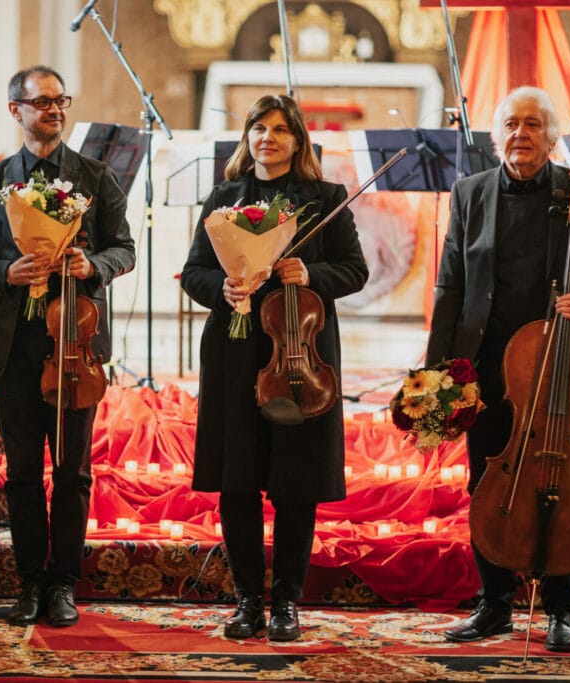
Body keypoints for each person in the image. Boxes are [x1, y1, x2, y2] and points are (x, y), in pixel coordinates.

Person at [425, 87, 570, 652]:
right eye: (512, 124)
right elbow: (451, 286)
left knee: (554, 483)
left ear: (553, 136)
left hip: (559, 366)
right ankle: (494, 605)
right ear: (496, 135)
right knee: (486, 481)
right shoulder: (469, 193)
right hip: (486, 364)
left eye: (534, 125)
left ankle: (561, 607)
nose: (522, 134)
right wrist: (439, 369)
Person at [180, 94, 369, 641]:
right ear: (247, 137)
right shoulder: (224, 198)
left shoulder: (326, 199)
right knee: (237, 481)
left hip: (298, 355)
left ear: (298, 139)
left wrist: (309, 274)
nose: (269, 138)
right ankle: (246, 601)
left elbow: (355, 270)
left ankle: (285, 602)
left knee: (295, 482)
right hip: (235, 353)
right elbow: (193, 272)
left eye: (281, 130)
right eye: (259, 128)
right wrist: (221, 285)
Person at [0, 65, 135, 627]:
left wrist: (92, 263)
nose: (55, 109)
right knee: (25, 472)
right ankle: (30, 581)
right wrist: (7, 271)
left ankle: (63, 584)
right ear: (17, 110)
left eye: (61, 101)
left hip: (75, 345)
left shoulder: (95, 176)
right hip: (16, 347)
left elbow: (124, 249)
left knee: (74, 472)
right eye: (43, 102)